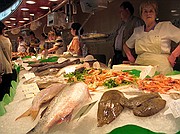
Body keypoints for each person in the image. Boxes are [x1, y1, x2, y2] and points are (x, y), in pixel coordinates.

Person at [123, 0, 180, 75]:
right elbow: (125, 46)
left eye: (151, 11)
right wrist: (131, 58)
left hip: (161, 70)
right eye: (145, 11)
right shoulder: (138, 31)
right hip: (140, 70)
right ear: (141, 15)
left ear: (155, 14)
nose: (148, 14)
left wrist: (173, 55)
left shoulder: (165, 26)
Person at [112, 1, 144, 66]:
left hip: (129, 55)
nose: (119, 13)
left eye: (121, 11)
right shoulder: (121, 24)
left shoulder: (136, 22)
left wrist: (132, 57)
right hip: (118, 54)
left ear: (127, 10)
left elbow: (140, 39)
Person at [0, 21, 16, 100]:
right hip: (8, 70)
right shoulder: (7, 40)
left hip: (1, 72)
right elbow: (10, 56)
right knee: (6, 97)